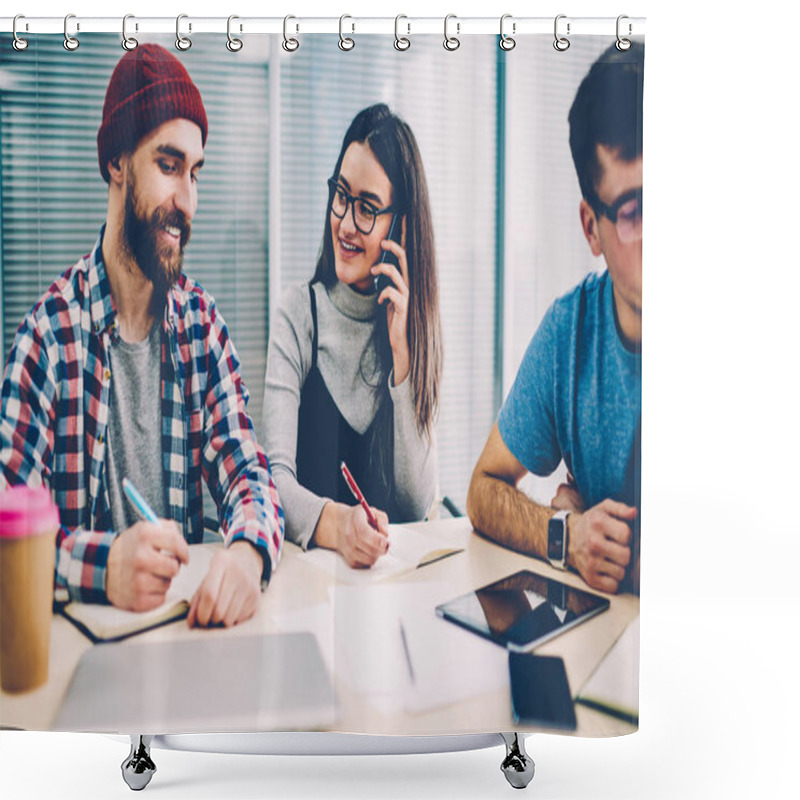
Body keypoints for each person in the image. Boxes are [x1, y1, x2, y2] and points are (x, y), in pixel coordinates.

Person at [0, 44, 284, 627]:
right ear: (117, 163)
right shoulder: (46, 341)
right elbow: (4, 537)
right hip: (76, 664)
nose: (187, 201)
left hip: (186, 644)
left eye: (196, 172)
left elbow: (250, 475)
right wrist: (101, 566)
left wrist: (247, 553)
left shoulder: (202, 327)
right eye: (168, 164)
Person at [466, 42, 643, 595]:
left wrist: (625, 557)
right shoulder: (570, 334)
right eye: (636, 212)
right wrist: (565, 531)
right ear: (591, 227)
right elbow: (482, 490)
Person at [262, 104, 442, 568]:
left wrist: (402, 356)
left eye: (367, 209)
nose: (344, 223)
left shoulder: (410, 328)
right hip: (308, 588)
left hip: (389, 593)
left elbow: (419, 503)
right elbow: (272, 481)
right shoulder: (298, 313)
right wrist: (340, 527)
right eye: (341, 196)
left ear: (400, 224)